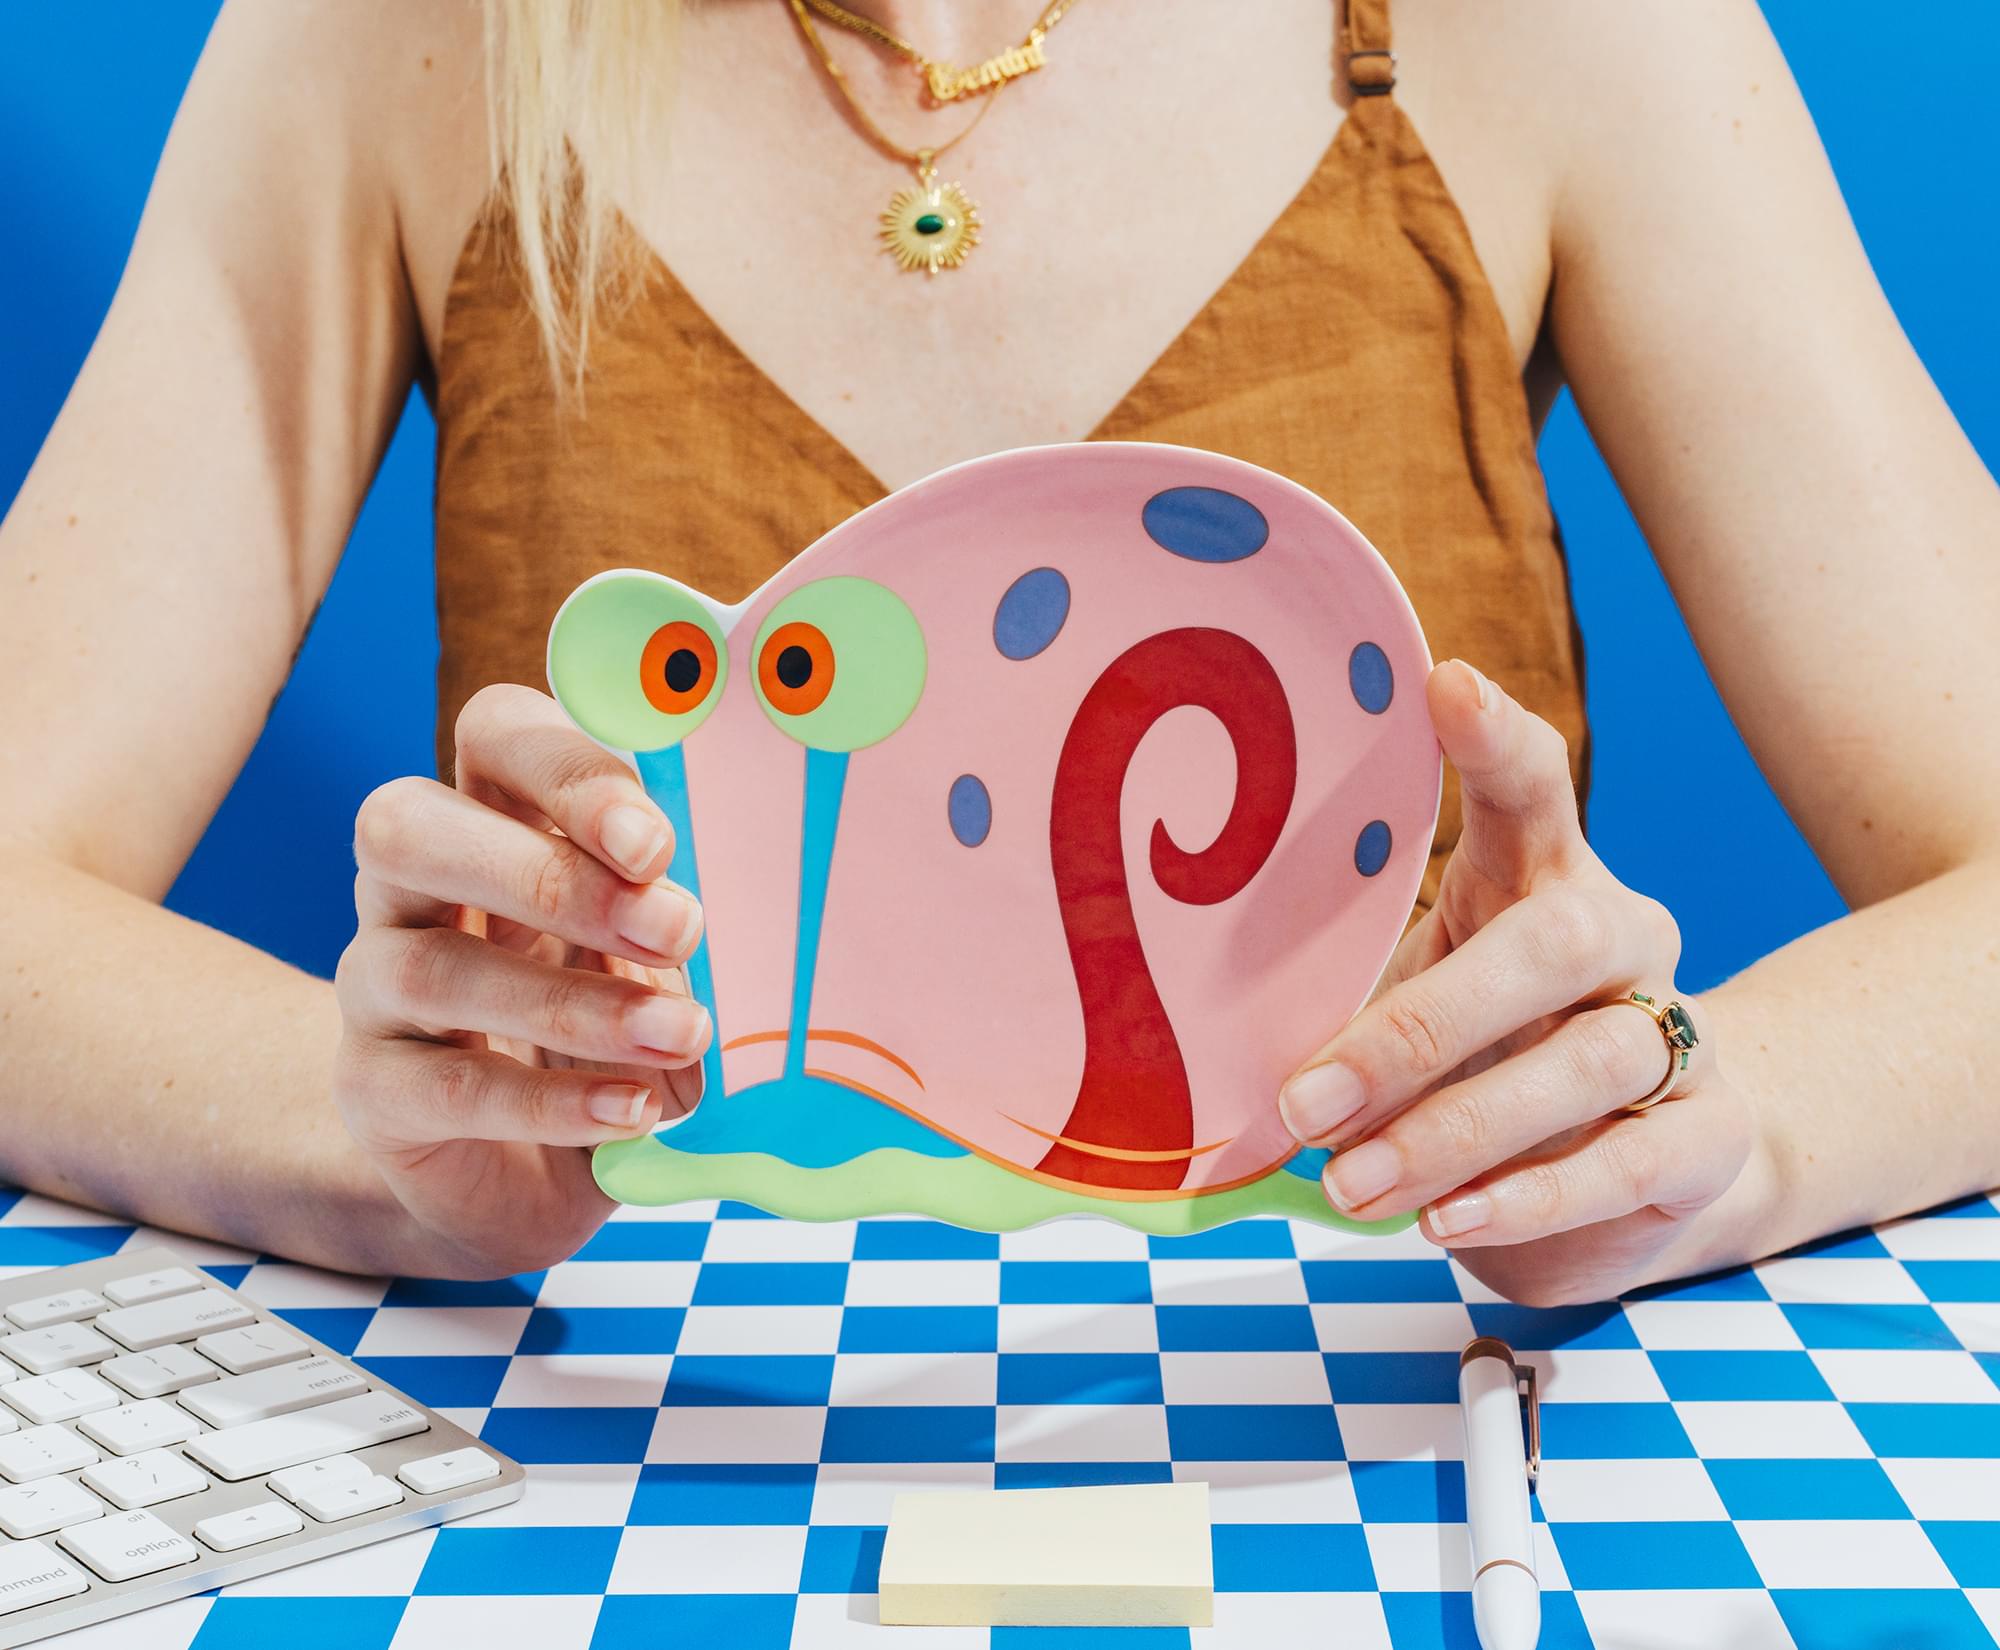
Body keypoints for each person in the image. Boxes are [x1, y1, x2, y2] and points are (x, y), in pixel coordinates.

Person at [1, 0, 1995, 1299]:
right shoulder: (410, 42)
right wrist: (390, 1149)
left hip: (1404, 1440)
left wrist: (1703, 1131)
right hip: (639, 1471)